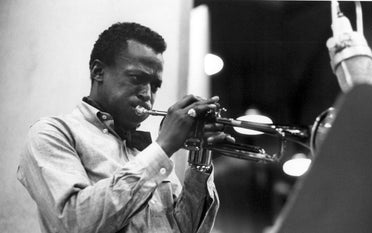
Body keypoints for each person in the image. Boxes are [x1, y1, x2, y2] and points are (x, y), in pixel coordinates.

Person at [17, 22, 235, 233]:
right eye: (137, 78)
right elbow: (74, 223)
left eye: (155, 86)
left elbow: (183, 229)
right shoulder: (52, 133)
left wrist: (200, 160)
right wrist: (163, 147)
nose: (147, 94)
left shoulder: (145, 151)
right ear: (98, 71)